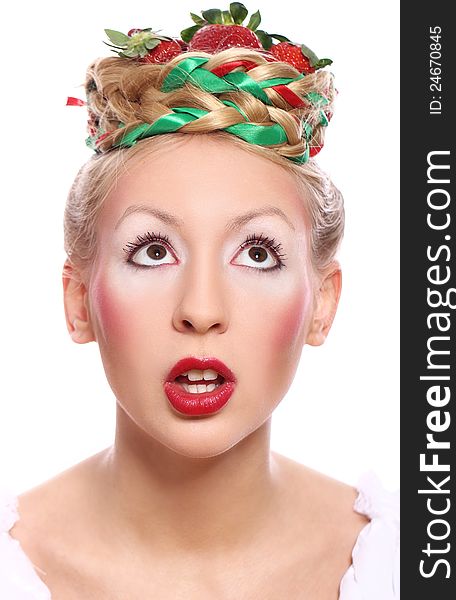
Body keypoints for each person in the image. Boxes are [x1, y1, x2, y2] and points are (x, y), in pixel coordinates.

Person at [0, 5, 399, 598]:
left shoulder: (413, 560)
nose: (202, 308)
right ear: (79, 301)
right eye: (154, 251)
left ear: (323, 302)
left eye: (258, 253)